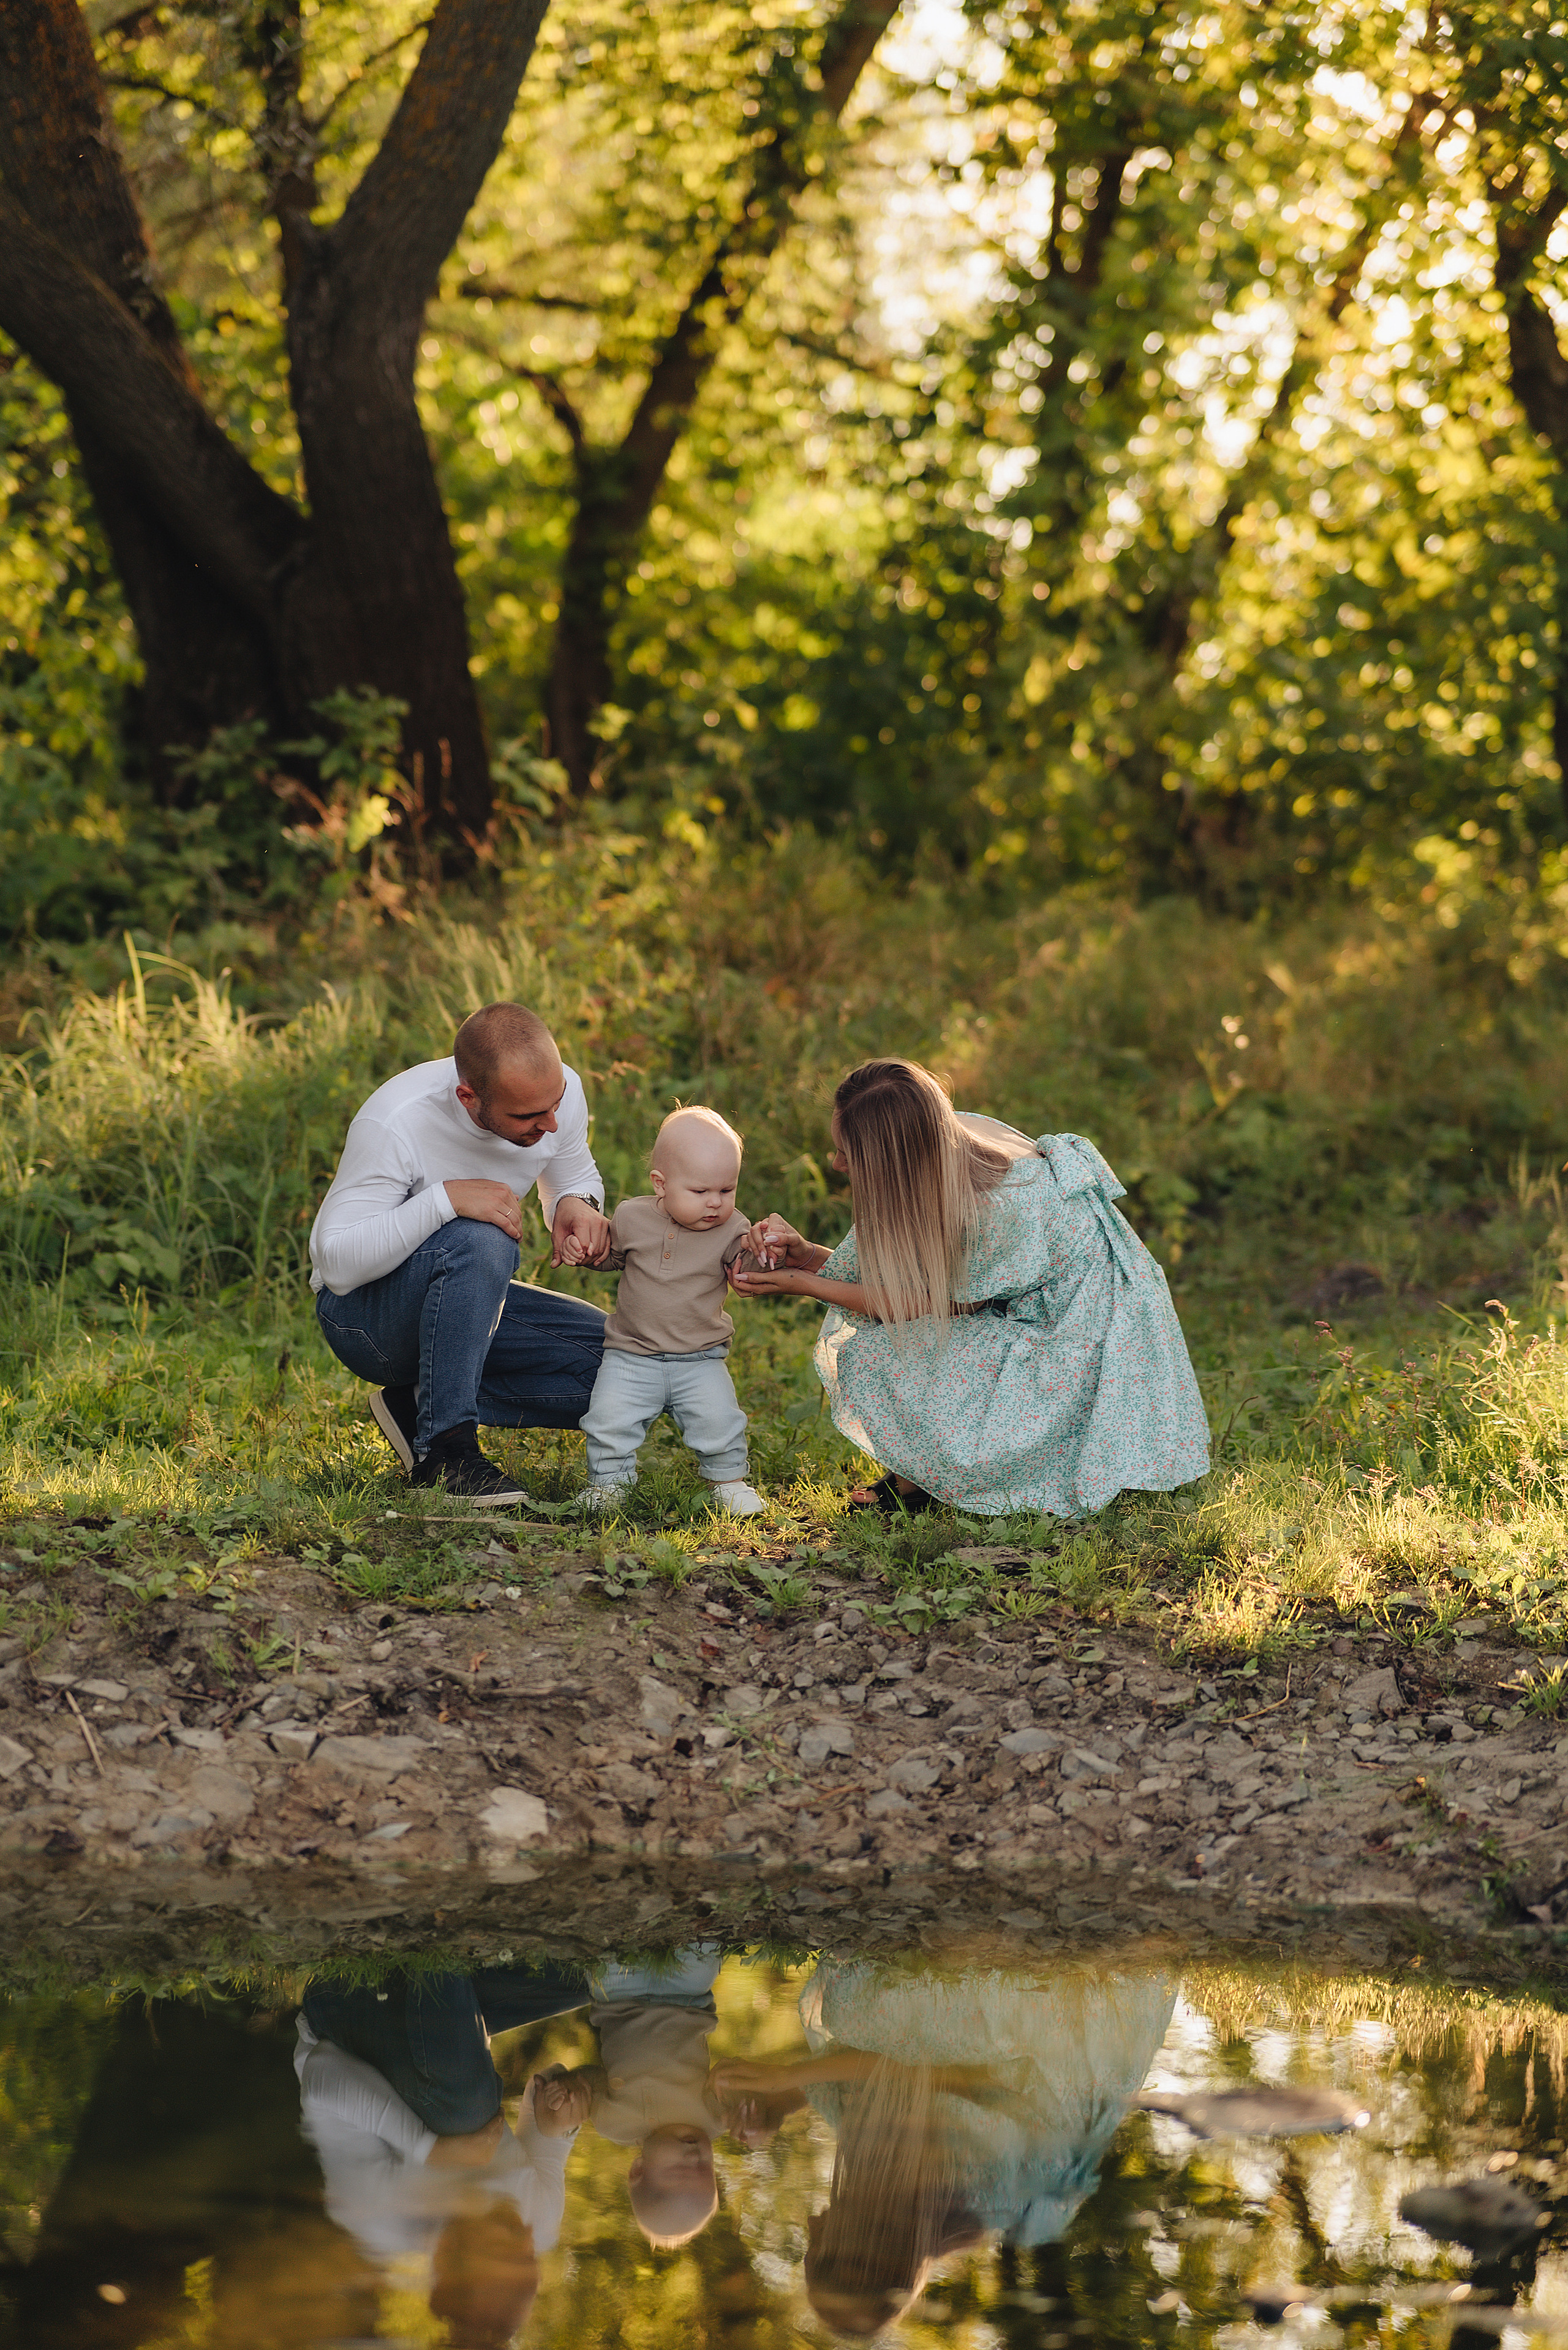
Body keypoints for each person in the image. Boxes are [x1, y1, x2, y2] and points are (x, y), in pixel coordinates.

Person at [732, 1057, 1210, 1517]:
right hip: (1061, 1304)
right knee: (908, 1348)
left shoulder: (990, 1211)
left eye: (847, 1153)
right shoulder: (946, 1134)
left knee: (885, 1356)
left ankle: (930, 1485)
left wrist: (802, 1282)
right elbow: (913, 1282)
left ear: (894, 1159)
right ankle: (921, 1478)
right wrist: (809, 1254)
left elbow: (914, 1304)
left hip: (1087, 1336)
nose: (836, 1163)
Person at [709, 1958, 1177, 2337]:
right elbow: (939, 2077)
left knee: (859, 2015)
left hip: (965, 2057)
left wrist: (779, 2103)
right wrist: (788, 2076)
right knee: (866, 2013)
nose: (814, 2223)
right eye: (821, 2245)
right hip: (1021, 2050)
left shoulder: (885, 2188)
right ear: (866, 2241)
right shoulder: (970, 2190)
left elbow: (850, 2087)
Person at [309, 1000, 612, 1506]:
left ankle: (416, 1407)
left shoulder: (556, 1096)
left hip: (465, 1301)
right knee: (481, 1234)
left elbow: (573, 1175)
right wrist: (444, 1199)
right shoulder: (396, 1120)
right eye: (530, 1116)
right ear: (469, 1097)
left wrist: (576, 1205)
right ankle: (446, 1452)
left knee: (629, 1364)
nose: (552, 1124)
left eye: (556, 1103)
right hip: (365, 1322)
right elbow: (337, 1264)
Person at [295, 1962, 593, 2348]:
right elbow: (548, 2107)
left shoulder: (378, 2216)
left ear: (446, 2256)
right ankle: (440, 1963)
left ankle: (438, 1952)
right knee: (590, 1983)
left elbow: (320, 2073)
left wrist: (427, 2148)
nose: (529, 2236)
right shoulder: (541, 2224)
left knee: (465, 2115)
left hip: (344, 2012)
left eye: (504, 2249)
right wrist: (564, 2107)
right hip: (444, 2023)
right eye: (530, 2260)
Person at [571, 1105, 766, 1516]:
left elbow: (744, 1270)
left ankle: (729, 1482)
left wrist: (761, 1254)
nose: (715, 1203)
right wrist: (588, 1253)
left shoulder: (734, 1228)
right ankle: (609, 1485)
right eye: (700, 1191)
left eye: (727, 1190)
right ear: (661, 1184)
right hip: (631, 1353)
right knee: (609, 1420)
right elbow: (613, 1258)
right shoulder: (631, 1216)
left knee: (720, 1423)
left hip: (701, 1357)